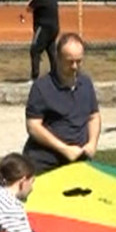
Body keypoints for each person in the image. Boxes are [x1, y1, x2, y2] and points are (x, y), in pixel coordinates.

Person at [23, 32, 101, 174]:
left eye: (79, 61)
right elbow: (33, 127)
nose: (75, 66)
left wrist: (92, 144)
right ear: (58, 59)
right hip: (46, 164)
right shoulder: (41, 87)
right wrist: (64, 149)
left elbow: (93, 116)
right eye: (70, 61)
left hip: (79, 161)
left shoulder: (86, 83)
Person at [26, 0, 59, 81]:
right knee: (51, 50)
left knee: (34, 50)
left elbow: (28, 9)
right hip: (54, 27)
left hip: (43, 27)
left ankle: (35, 77)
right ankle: (56, 74)